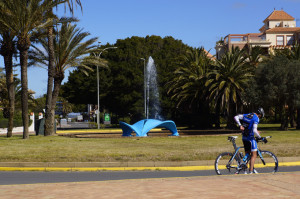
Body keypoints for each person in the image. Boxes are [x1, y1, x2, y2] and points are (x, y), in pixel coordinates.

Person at [234, 108, 267, 174]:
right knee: (254, 155)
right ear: (260, 115)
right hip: (250, 139)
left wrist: (240, 125)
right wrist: (260, 137)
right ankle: (251, 171)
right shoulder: (256, 118)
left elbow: (236, 117)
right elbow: (254, 130)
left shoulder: (247, 115)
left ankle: (245, 171)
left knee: (247, 155)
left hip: (244, 138)